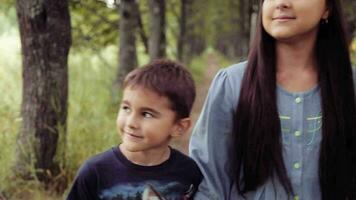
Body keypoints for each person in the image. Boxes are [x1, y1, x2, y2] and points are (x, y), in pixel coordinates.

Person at [189, 0, 356, 199]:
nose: (281, 3)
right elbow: (210, 184)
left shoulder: (350, 86)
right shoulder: (232, 84)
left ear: (327, 9)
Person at [67, 59, 202, 200]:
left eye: (146, 114)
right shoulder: (95, 172)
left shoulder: (189, 173)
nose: (131, 123)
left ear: (178, 127)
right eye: (126, 108)